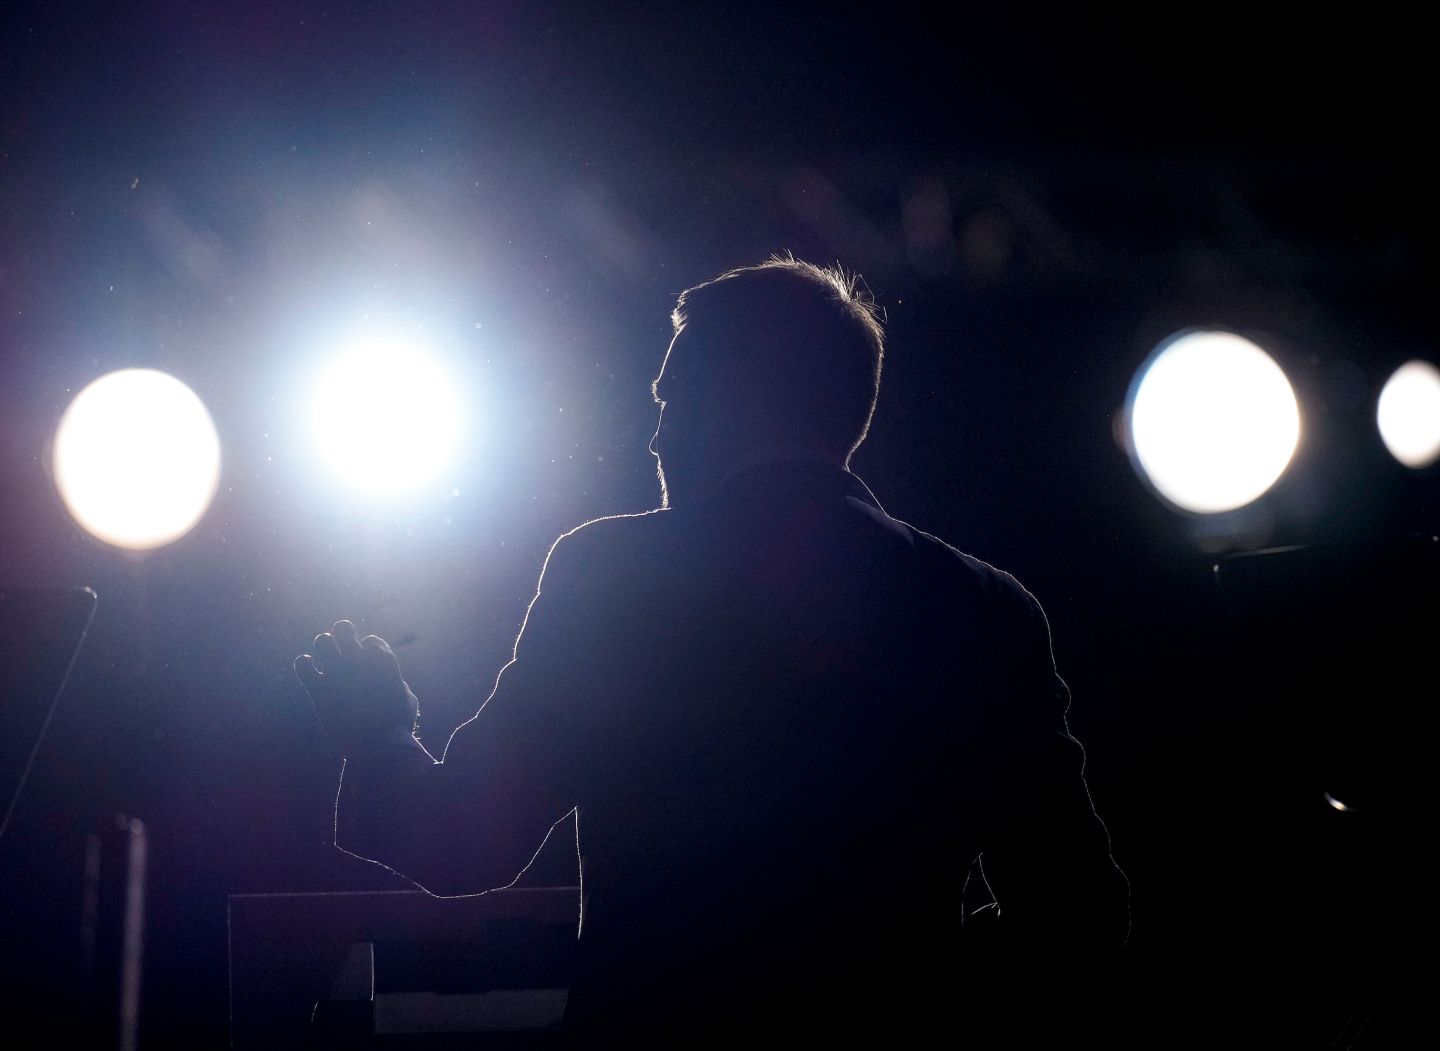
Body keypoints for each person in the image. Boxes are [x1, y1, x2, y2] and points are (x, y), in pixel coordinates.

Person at [295, 256, 1127, 1044]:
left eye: (671, 402)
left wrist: (378, 730)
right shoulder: (984, 606)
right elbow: (1079, 908)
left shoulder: (614, 574)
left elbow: (462, 842)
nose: (655, 437)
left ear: (730, 401)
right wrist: (925, 983)